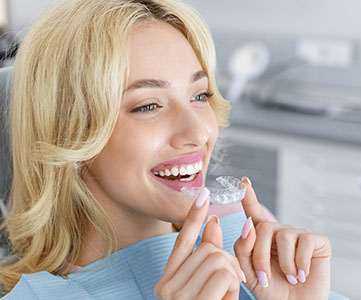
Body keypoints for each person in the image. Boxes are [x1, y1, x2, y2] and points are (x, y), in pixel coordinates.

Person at [0, 0, 335, 299]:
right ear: (70, 133)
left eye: (200, 96)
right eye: (148, 106)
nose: (198, 132)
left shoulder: (250, 242)